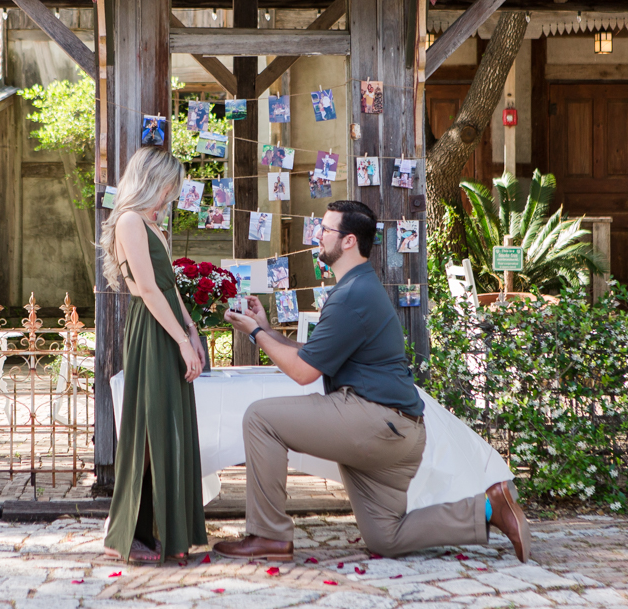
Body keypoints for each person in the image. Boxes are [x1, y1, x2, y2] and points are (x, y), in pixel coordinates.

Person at [218, 199, 529, 562]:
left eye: (326, 230)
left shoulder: (352, 295)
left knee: (260, 418)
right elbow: (312, 354)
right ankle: (491, 510)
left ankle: (268, 537)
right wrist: (269, 330)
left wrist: (256, 334)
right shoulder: (357, 288)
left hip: (379, 423)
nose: (318, 236)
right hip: (396, 430)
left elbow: (303, 372)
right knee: (387, 537)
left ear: (349, 241)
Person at [100, 147, 207, 563]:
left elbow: (171, 288)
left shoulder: (151, 223)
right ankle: (130, 534)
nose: (171, 197)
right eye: (169, 187)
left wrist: (192, 332)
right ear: (151, 181)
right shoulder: (129, 220)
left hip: (169, 326)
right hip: (151, 329)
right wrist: (180, 339)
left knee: (169, 426)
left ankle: (163, 530)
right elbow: (146, 289)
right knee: (150, 427)